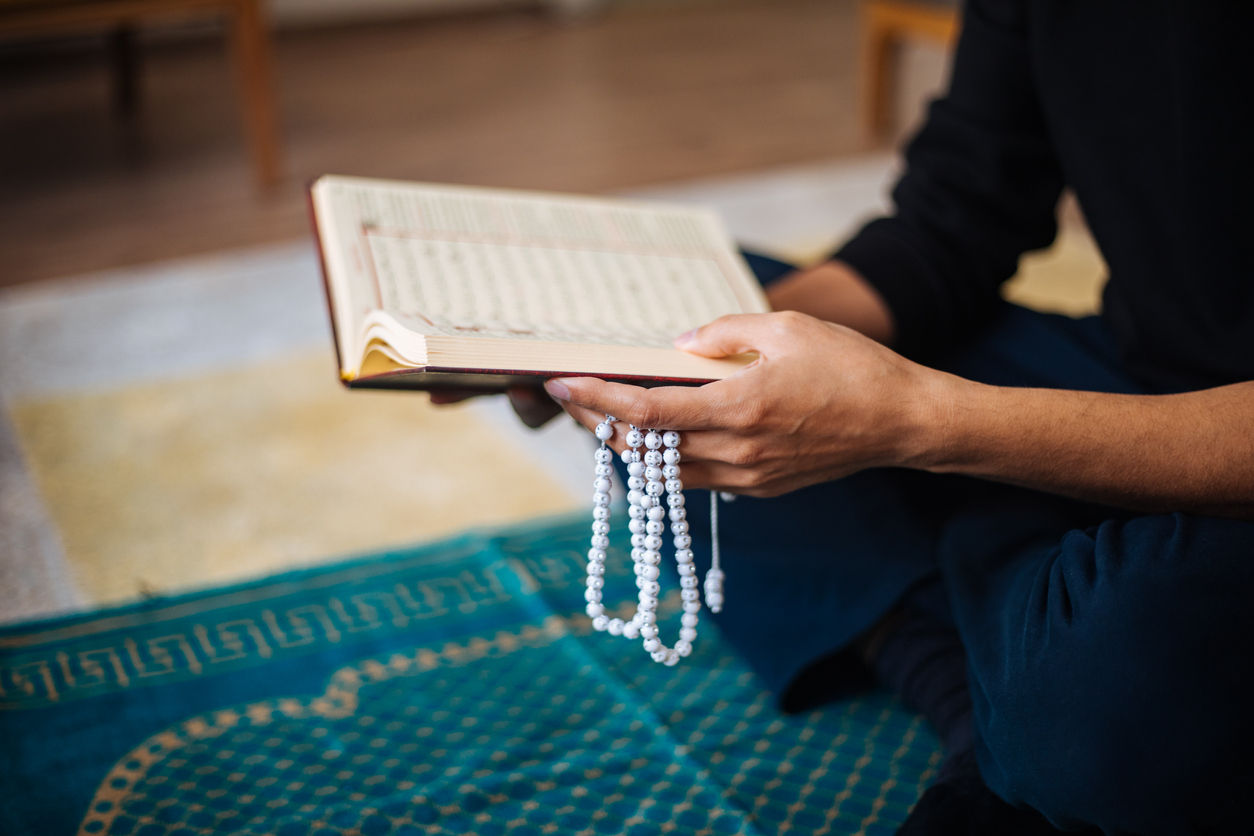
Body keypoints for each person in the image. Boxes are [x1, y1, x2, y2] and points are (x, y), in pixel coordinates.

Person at [443, 2, 1254, 832]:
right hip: (1139, 374)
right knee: (688, 357)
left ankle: (995, 581)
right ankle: (970, 691)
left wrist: (927, 425)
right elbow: (955, 217)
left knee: (1111, 675)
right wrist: (687, 357)